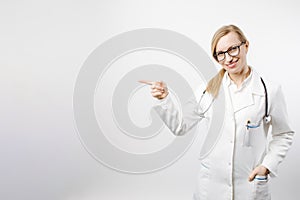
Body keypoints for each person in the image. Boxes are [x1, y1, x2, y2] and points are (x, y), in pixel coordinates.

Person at [139, 24, 294, 200]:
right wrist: (164, 98)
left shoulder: (269, 91)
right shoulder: (207, 91)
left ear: (246, 46)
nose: (228, 58)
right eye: (221, 54)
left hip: (250, 185)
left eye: (233, 49)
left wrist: (267, 166)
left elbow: (284, 134)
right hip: (210, 187)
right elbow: (180, 127)